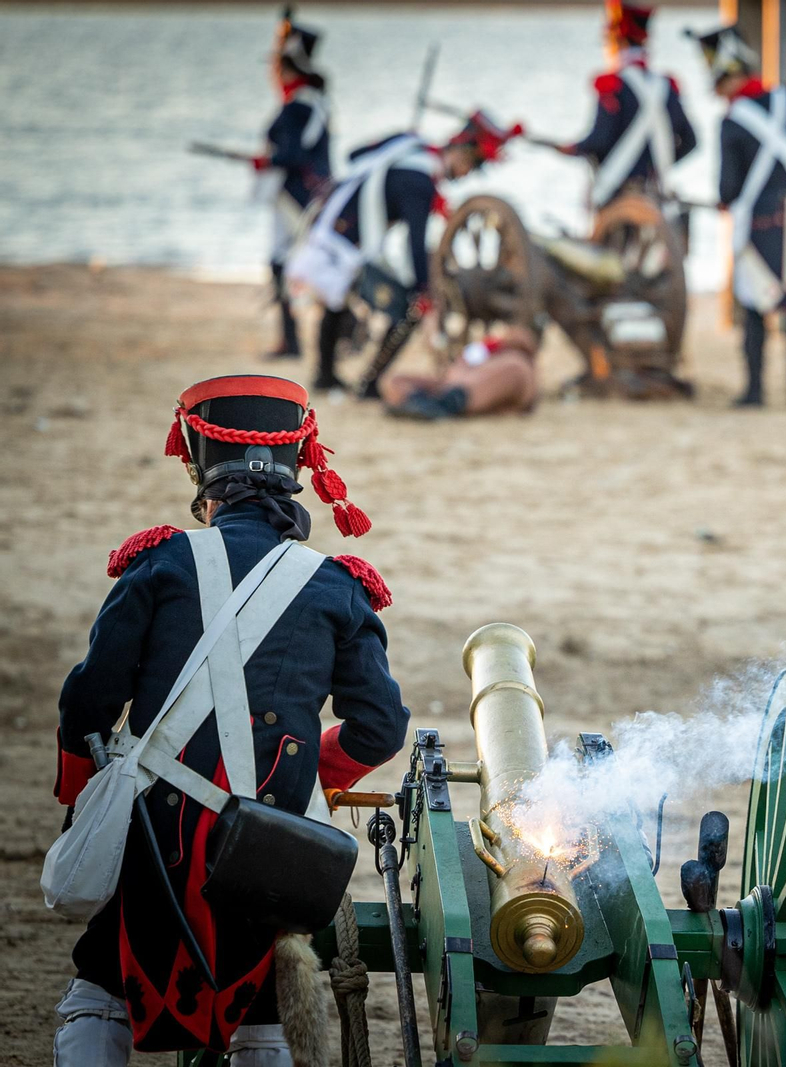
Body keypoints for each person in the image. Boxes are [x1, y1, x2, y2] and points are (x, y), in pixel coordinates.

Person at [51, 375, 409, 1064]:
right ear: (299, 471)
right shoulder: (339, 585)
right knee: (264, 1011)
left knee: (100, 982)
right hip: (272, 842)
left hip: (154, 831)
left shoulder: (158, 562)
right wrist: (307, 776)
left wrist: (83, 797)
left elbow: (87, 700)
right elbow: (379, 728)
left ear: (198, 468)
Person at [287, 111, 520, 398]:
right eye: (469, 166)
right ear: (460, 152)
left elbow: (355, 154)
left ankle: (326, 376)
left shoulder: (409, 147)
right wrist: (423, 290)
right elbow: (416, 241)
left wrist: (397, 146)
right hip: (343, 246)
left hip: (330, 229)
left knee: (337, 304)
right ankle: (367, 383)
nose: (463, 175)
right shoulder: (420, 179)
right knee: (408, 308)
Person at [694, 25, 786, 409]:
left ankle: (755, 391)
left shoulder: (731, 123)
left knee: (756, 304)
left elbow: (728, 190)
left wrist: (725, 202)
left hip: (760, 222)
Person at [560, 2, 697, 209]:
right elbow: (690, 141)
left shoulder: (612, 85)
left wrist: (573, 148)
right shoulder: (667, 87)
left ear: (618, 41)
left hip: (616, 195)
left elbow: (599, 139)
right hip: (654, 192)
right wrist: (657, 167)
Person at [258, 5, 332, 361]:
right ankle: (292, 339)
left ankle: (291, 342)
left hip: (295, 197)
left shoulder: (298, 106)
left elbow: (292, 155)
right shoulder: (314, 101)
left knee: (281, 262)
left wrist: (266, 160)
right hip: (310, 194)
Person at [380, 326, 541, 420]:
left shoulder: (517, 365)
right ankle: (420, 401)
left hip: (461, 393)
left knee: (512, 368)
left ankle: (438, 404)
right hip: (454, 387)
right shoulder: (490, 358)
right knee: (394, 381)